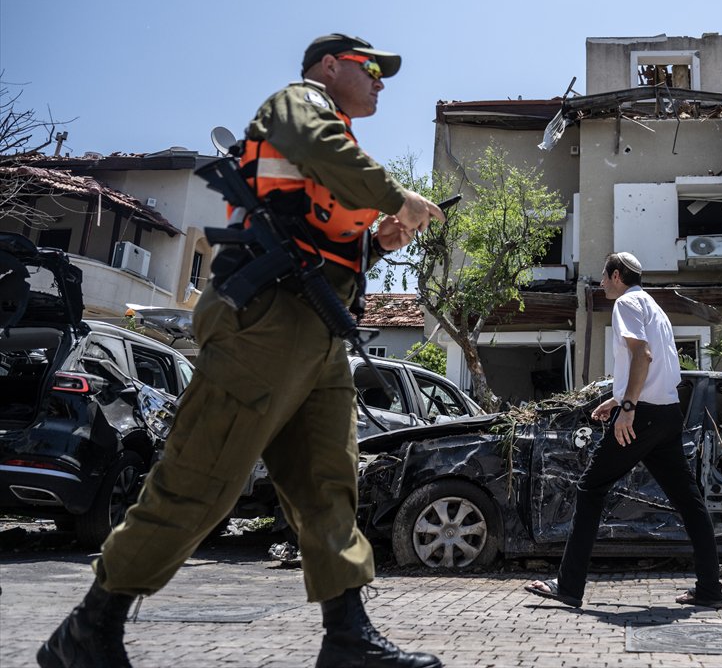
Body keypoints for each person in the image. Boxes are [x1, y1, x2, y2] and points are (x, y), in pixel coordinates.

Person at [39, 34, 446, 668]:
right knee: (204, 475)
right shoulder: (298, 105)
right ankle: (89, 629)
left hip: (317, 329)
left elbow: (324, 242)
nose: (381, 84)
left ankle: (348, 638)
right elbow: (321, 152)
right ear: (330, 66)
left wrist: (381, 242)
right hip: (266, 320)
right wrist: (397, 198)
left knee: (327, 484)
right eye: (371, 70)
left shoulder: (330, 145)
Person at [524, 251, 722, 610]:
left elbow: (641, 357)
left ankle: (569, 587)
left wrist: (628, 409)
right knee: (689, 502)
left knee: (590, 488)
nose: (601, 283)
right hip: (666, 414)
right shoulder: (653, 306)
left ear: (617, 275)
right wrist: (617, 400)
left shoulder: (627, 305)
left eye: (604, 276)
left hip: (644, 416)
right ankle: (710, 590)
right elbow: (654, 366)